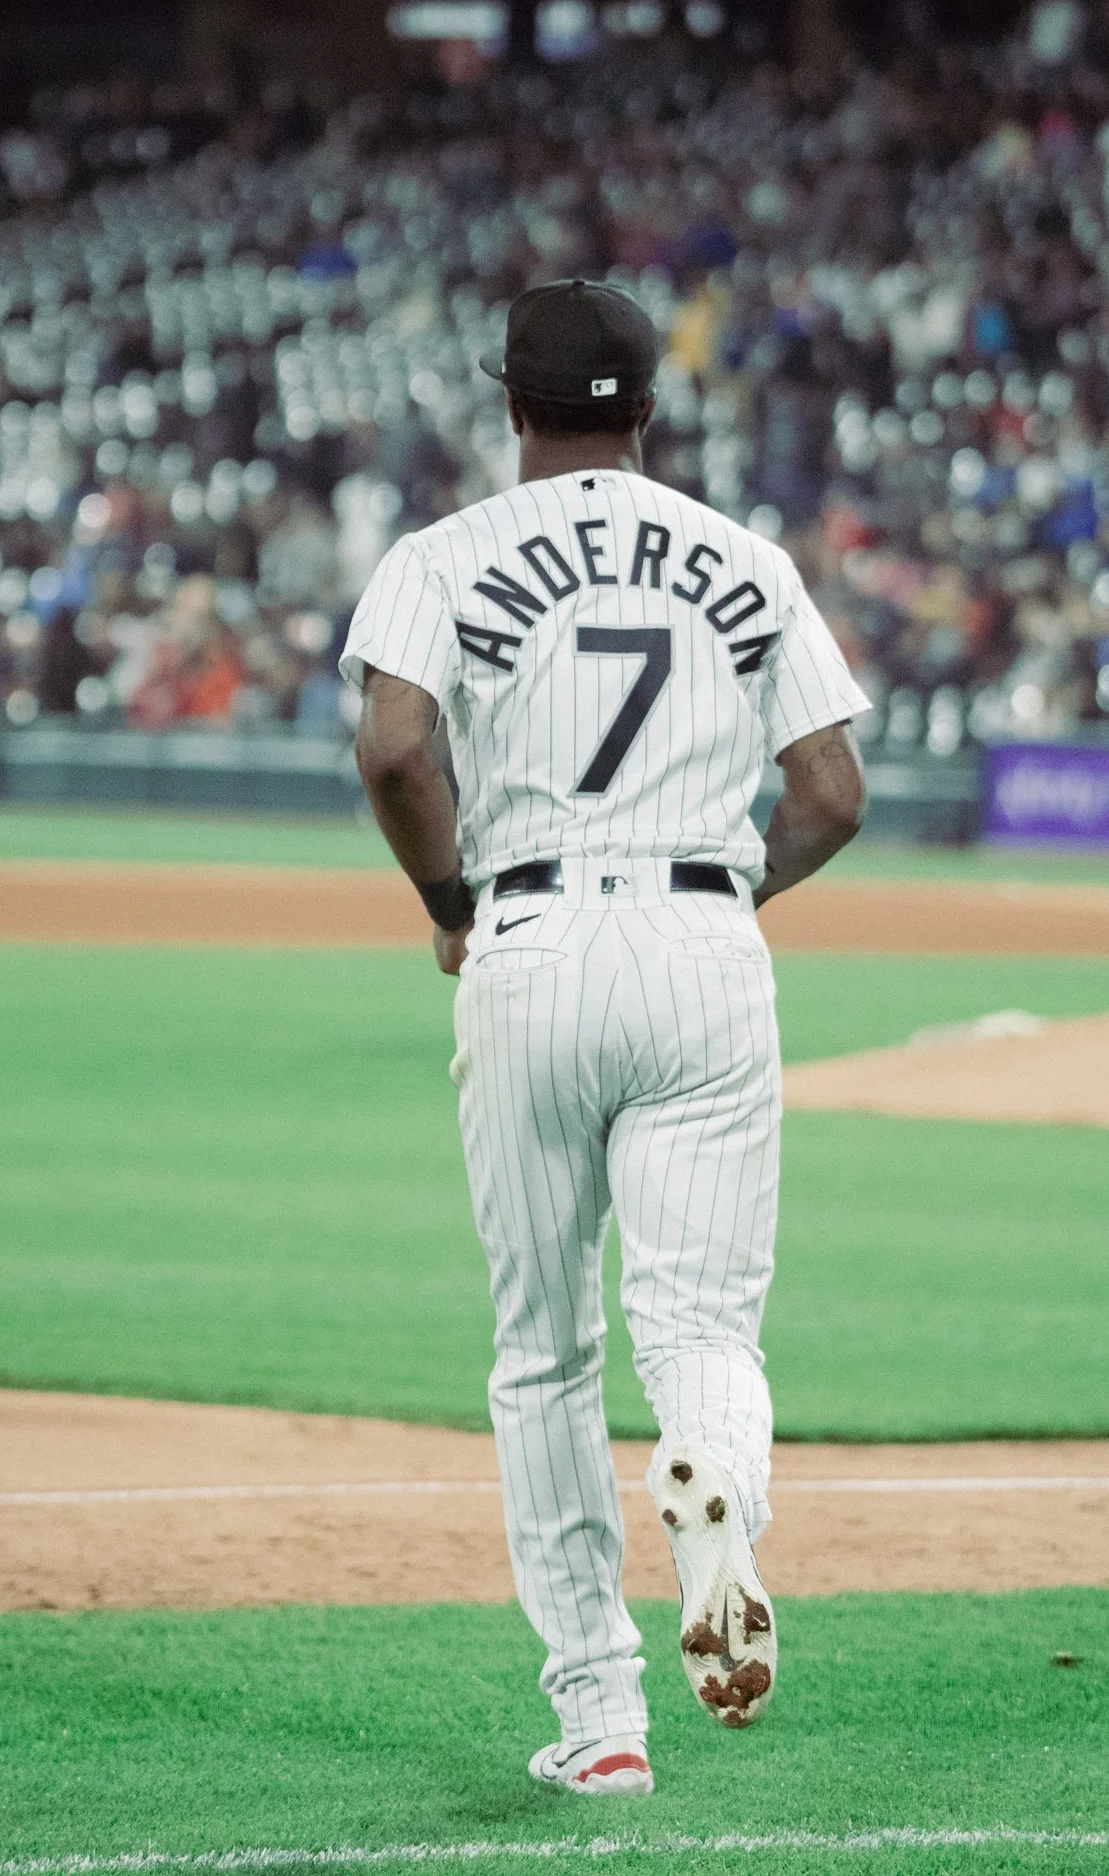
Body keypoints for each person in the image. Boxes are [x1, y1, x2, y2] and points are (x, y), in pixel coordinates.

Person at [341, 279, 868, 1796]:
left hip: (528, 936)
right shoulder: (742, 556)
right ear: (648, 406)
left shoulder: (443, 554)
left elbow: (393, 744)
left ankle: (602, 1718)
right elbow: (833, 790)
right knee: (701, 1329)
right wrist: (724, 893)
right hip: (707, 940)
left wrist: (448, 895)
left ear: (514, 406)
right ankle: (715, 1493)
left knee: (543, 1354)